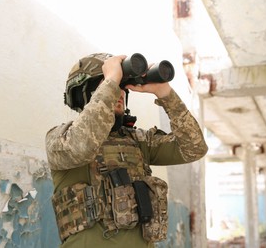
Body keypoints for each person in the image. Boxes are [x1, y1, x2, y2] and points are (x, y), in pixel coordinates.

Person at [45, 53, 208, 248]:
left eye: (122, 87)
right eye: (107, 85)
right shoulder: (60, 138)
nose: (119, 92)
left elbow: (194, 148)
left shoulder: (138, 141)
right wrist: (112, 81)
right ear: (83, 93)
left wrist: (166, 94)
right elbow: (82, 145)